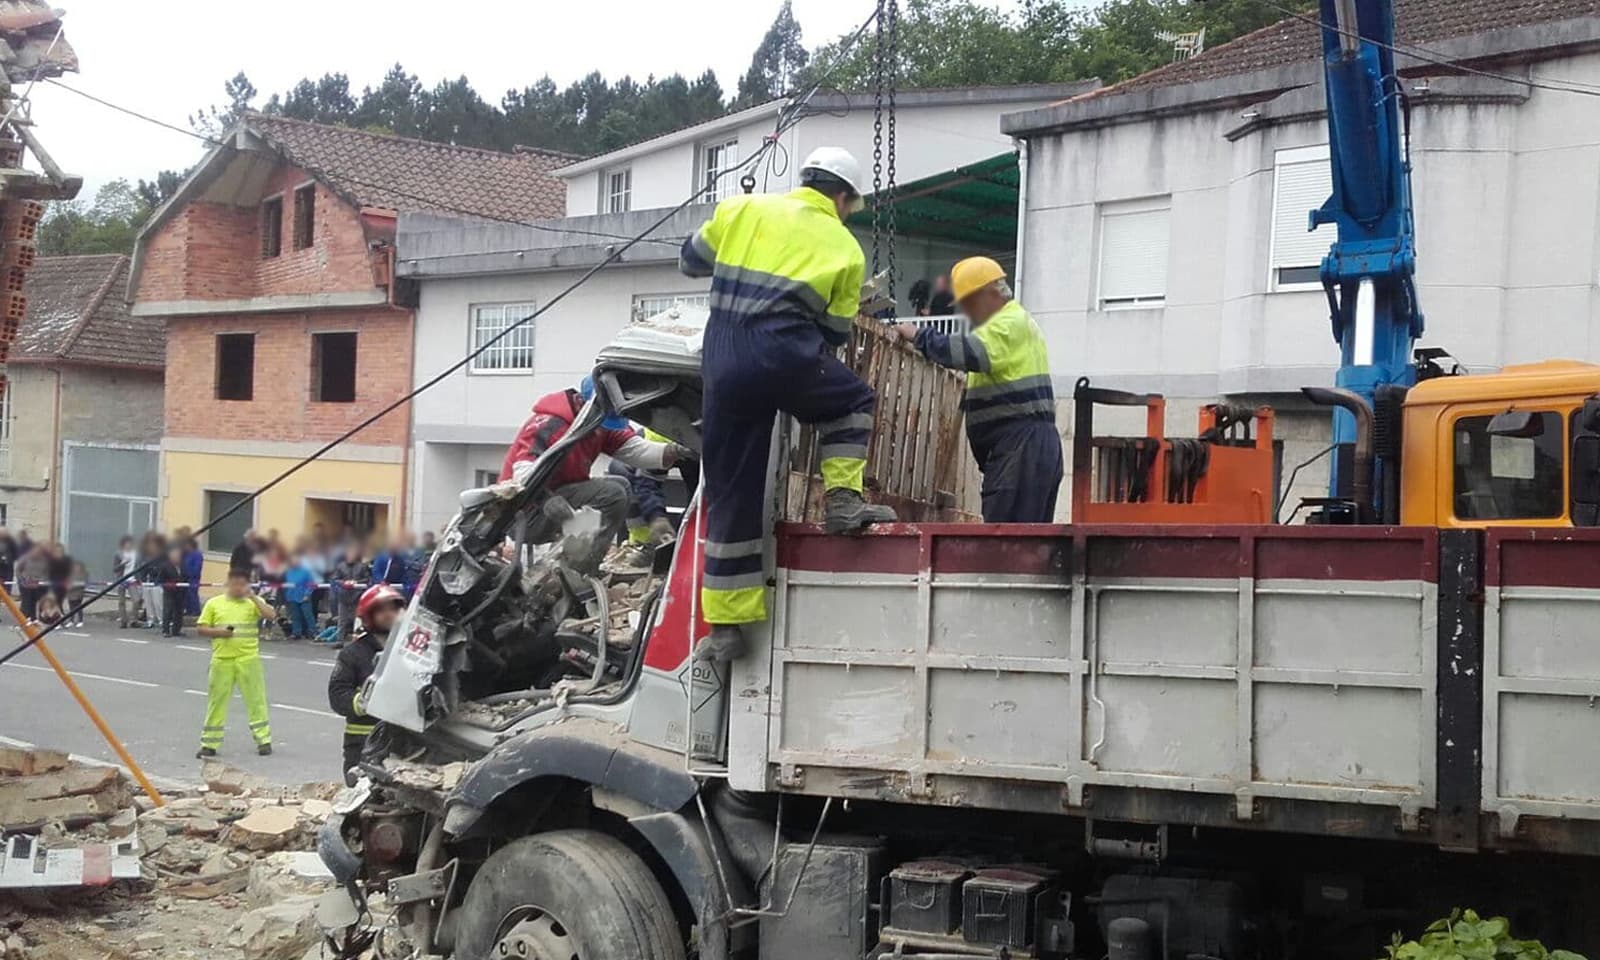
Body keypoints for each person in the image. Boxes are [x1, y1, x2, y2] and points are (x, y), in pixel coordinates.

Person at [678, 145, 897, 662]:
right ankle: (843, 502)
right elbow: (836, 333)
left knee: (731, 492)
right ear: (843, 197)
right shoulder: (845, 249)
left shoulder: (741, 210)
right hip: (787, 353)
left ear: (803, 178)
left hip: (725, 362)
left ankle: (726, 628)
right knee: (851, 401)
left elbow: (690, 260)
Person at [896, 257, 1063, 522]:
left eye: (970, 303)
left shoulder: (1008, 325)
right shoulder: (1013, 326)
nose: (967, 312)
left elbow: (970, 352)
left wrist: (919, 336)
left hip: (1020, 448)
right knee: (1027, 546)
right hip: (1027, 447)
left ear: (992, 293)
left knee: (1006, 545)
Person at [498, 376, 688, 573]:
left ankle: (577, 565)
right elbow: (521, 475)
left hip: (557, 504)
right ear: (584, 404)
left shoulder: (597, 423)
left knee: (621, 485)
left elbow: (635, 450)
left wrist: (677, 450)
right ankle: (577, 571)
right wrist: (546, 500)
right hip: (526, 514)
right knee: (612, 493)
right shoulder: (552, 423)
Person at [195, 568, 276, 758]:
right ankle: (209, 743)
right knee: (217, 702)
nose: (240, 588)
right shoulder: (214, 604)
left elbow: (271, 615)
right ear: (228, 584)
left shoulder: (252, 603)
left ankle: (264, 740)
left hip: (248, 659)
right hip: (222, 660)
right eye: (236, 584)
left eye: (243, 584)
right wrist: (220, 633)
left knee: (256, 700)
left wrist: (254, 598)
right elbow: (201, 628)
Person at [328, 583, 404, 785]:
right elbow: (337, 696)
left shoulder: (408, 652)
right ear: (369, 615)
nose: (389, 615)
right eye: (382, 610)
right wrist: (364, 702)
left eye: (393, 609)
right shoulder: (352, 654)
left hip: (403, 742)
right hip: (363, 744)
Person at [330, 543, 370, 645]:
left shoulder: (362, 566)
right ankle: (339, 640)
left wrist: (357, 583)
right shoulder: (341, 566)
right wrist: (343, 583)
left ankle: (356, 642)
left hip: (357, 597)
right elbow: (335, 579)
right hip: (343, 596)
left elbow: (367, 579)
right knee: (342, 621)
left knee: (357, 621)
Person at [282, 551, 318, 640]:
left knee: (308, 616)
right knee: (295, 616)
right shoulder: (289, 571)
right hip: (292, 596)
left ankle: (313, 632)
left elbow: (312, 583)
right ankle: (296, 632)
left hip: (303, 596)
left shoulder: (306, 571)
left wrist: (307, 594)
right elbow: (286, 583)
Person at [15, 541, 49, 622]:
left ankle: (33, 618)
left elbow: (47, 572)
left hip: (37, 584)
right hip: (25, 584)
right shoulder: (25, 558)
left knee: (34, 601)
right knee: (26, 602)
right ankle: (23, 619)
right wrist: (21, 579)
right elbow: (18, 570)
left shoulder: (45, 560)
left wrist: (41, 580)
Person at [158, 545, 185, 637]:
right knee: (168, 611)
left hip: (180, 591)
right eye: (175, 555)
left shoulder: (182, 565)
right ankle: (165, 630)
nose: (177, 556)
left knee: (179, 611)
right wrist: (167, 586)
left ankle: (176, 630)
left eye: (179, 555)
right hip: (169, 591)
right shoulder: (165, 566)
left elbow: (185, 576)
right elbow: (160, 579)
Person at [113, 536, 139, 628]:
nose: (128, 546)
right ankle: (123, 621)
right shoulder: (118, 554)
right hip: (121, 579)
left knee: (136, 600)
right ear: (123, 545)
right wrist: (122, 563)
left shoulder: (135, 554)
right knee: (121, 601)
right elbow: (115, 569)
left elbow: (138, 566)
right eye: (126, 544)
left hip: (132, 579)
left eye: (130, 544)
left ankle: (134, 620)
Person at [181, 536, 204, 618]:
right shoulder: (186, 554)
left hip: (193, 578)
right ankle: (188, 609)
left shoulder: (197, 554)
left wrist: (190, 573)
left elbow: (197, 567)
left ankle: (195, 610)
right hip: (185, 578)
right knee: (186, 594)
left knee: (192, 593)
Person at [65, 554, 88, 628]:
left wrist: (72, 585)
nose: (76, 568)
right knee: (71, 608)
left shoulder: (83, 574)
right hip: (70, 593)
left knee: (78, 607)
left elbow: (83, 583)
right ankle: (71, 620)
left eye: (77, 566)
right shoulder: (70, 573)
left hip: (78, 593)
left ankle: (80, 621)